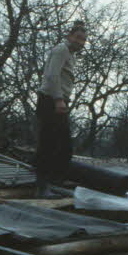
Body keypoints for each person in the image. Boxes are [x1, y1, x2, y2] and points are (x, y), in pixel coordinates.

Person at [34, 22, 87, 197]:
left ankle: (55, 182)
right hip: (50, 100)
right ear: (69, 36)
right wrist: (58, 99)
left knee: (63, 145)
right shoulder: (61, 50)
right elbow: (52, 75)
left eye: (83, 40)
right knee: (48, 144)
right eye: (77, 37)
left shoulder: (71, 55)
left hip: (59, 101)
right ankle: (42, 187)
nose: (80, 42)